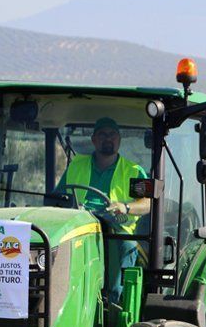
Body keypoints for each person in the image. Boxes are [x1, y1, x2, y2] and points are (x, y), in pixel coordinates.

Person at [57, 117, 149, 303]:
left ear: (119, 139)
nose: (108, 138)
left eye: (112, 134)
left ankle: (115, 303)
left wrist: (126, 207)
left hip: (117, 230)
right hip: (80, 224)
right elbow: (57, 196)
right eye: (102, 134)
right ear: (93, 140)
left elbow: (148, 203)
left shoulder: (133, 170)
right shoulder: (76, 165)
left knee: (128, 248)